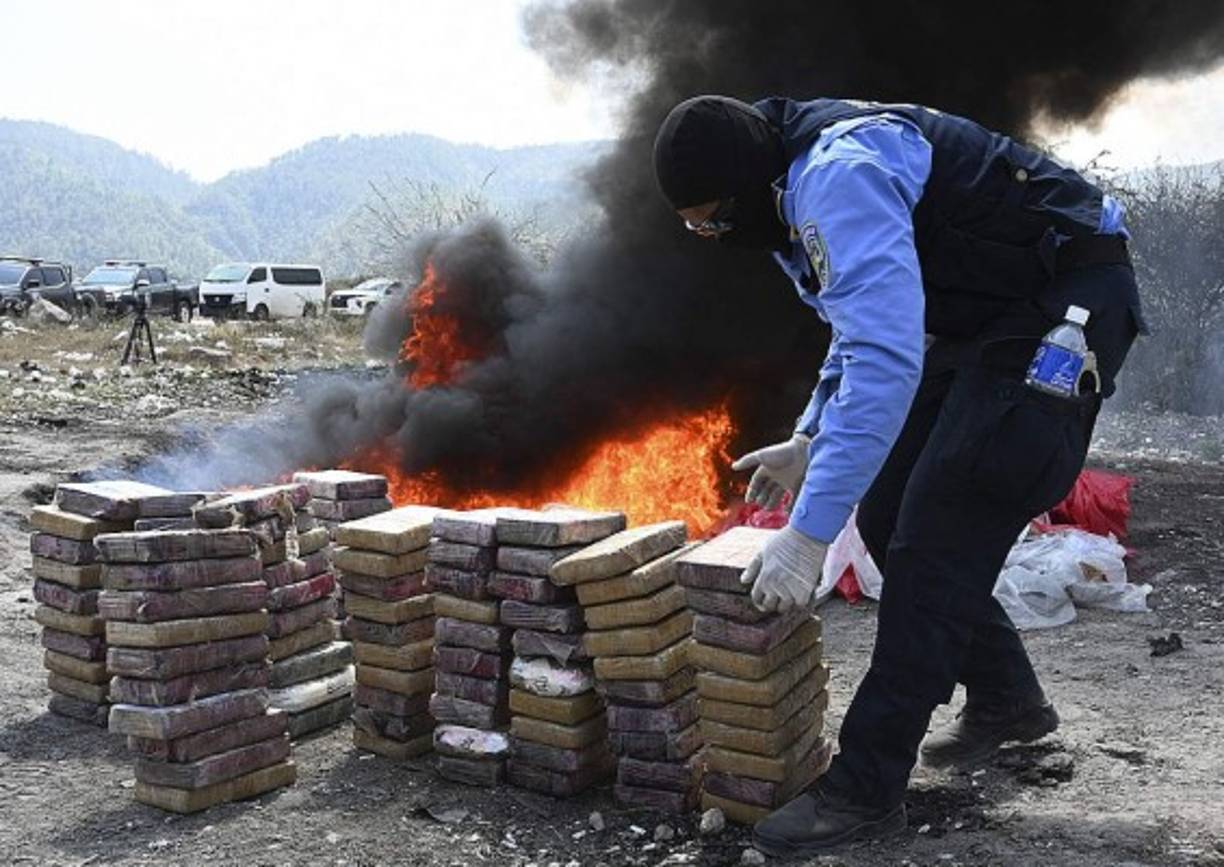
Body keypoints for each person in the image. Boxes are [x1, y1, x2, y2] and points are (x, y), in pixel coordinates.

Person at [653, 95, 1145, 855]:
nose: (715, 238)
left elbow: (886, 362)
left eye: (713, 222)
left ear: (742, 188)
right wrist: (810, 437)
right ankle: (1008, 700)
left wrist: (807, 537)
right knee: (886, 515)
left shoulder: (836, 177)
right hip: (989, 312)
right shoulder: (788, 182)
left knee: (940, 530)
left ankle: (865, 788)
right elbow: (859, 327)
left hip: (1063, 299)